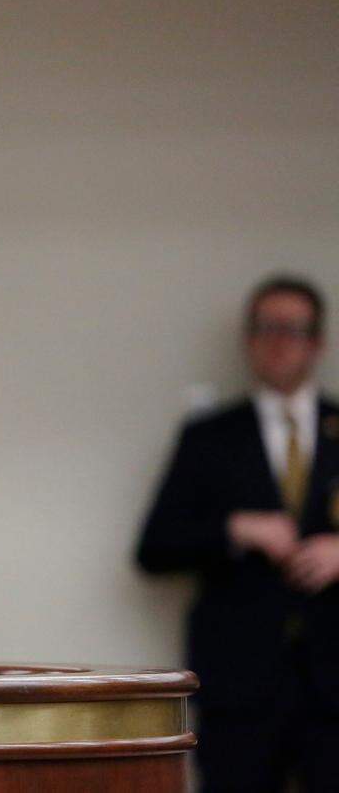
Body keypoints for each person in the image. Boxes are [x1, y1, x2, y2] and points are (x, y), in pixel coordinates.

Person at [137, 275, 339, 792]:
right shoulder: (209, 435)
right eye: (266, 328)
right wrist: (235, 528)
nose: (277, 340)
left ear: (317, 342)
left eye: (292, 329)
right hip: (240, 688)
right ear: (248, 339)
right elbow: (153, 548)